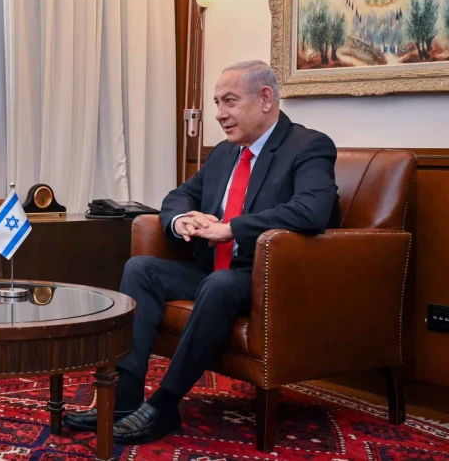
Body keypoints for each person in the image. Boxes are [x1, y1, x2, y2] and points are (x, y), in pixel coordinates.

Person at [63, 60, 341, 444]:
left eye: (229, 101)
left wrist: (232, 227)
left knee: (221, 285)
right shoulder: (225, 153)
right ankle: (123, 400)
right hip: (213, 269)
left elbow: (312, 211)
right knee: (140, 268)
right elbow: (181, 195)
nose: (219, 115)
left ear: (265, 98)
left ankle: (163, 406)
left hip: (266, 276)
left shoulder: (308, 146)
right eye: (216, 103)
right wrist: (181, 221)